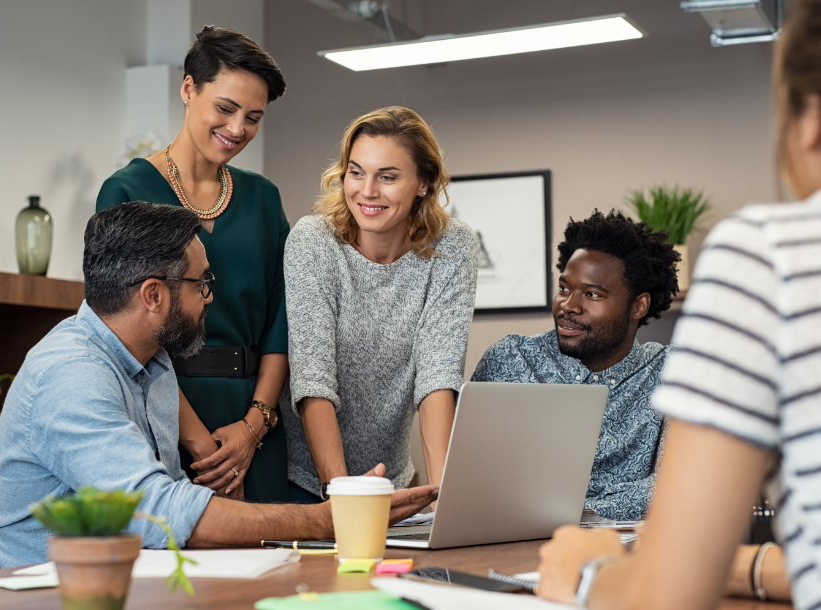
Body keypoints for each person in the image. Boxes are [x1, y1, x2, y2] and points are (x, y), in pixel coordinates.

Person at [536, 1, 821, 606]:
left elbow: (669, 596)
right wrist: (744, 567)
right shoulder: (516, 357)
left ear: (809, 120)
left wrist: (586, 577)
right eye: (567, 288)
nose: (571, 305)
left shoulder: (769, 254)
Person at [0, 202, 437, 568]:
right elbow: (157, 513)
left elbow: (173, 510)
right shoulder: (69, 374)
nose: (211, 297)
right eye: (201, 283)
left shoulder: (154, 363)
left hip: (137, 578)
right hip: (55, 594)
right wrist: (326, 521)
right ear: (153, 295)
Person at [96, 27, 290, 502]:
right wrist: (203, 446)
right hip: (164, 415)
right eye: (225, 108)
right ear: (188, 89)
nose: (238, 128)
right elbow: (121, 330)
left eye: (254, 117)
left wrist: (253, 427)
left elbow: (284, 322)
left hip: (253, 424)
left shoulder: (264, 199)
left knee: (274, 570)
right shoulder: (125, 192)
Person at [281, 106, 479, 503]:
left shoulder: (453, 247)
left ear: (424, 183)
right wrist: (341, 494)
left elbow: (438, 377)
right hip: (304, 481)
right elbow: (312, 377)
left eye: (387, 177)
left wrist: (442, 499)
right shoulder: (314, 241)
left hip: (393, 479)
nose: (367, 191)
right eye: (356, 172)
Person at [472, 211, 679, 520]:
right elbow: (472, 480)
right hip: (512, 544)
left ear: (639, 306)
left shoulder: (670, 372)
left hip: (628, 553)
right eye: (565, 288)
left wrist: (576, 512)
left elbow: (674, 487)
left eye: (592, 294)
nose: (568, 306)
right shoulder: (509, 360)